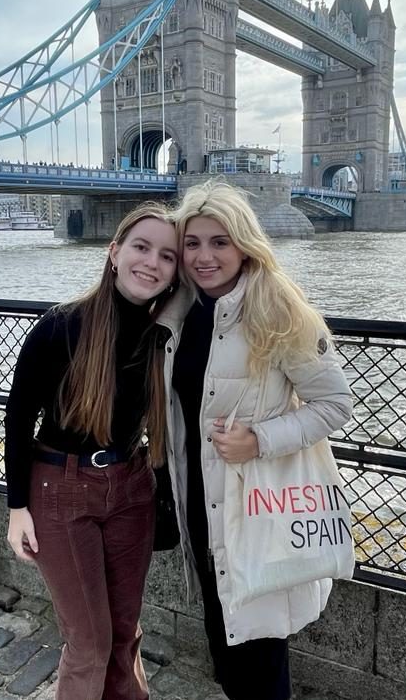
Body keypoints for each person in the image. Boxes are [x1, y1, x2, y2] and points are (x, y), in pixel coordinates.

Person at [156, 180, 352, 700]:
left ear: (245, 242)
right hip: (198, 496)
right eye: (192, 243)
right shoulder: (176, 307)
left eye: (219, 242)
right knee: (224, 644)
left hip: (256, 504)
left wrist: (259, 440)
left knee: (260, 651)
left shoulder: (276, 309)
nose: (204, 257)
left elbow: (335, 406)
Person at [4, 203, 179, 700]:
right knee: (89, 641)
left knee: (125, 632)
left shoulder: (164, 334)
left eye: (166, 255)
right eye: (141, 247)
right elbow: (18, 419)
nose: (152, 262)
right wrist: (16, 508)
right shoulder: (61, 326)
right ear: (114, 252)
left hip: (132, 487)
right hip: (60, 489)